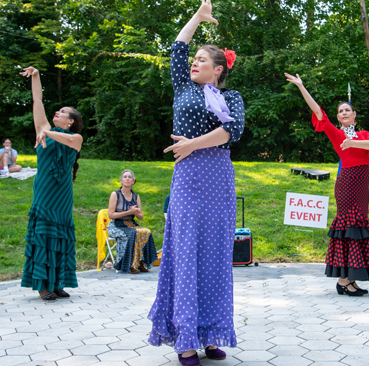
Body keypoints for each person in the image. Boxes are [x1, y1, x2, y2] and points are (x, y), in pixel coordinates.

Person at [148, 1, 245, 365]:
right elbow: (177, 47)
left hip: (218, 178)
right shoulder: (182, 88)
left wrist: (191, 144)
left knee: (217, 257)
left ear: (218, 70)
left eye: (202, 60)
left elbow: (231, 132)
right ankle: (185, 340)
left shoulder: (230, 97)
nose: (194, 63)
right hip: (188, 178)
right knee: (186, 254)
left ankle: (210, 335)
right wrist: (197, 17)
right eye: (195, 59)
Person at [285, 72, 369, 296]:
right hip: (347, 183)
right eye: (340, 111)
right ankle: (342, 280)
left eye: (347, 110)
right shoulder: (337, 134)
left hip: (361, 184)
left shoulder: (363, 135)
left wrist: (354, 141)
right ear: (338, 118)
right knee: (348, 228)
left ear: (354, 114)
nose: (343, 113)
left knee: (357, 228)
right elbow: (318, 111)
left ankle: (350, 279)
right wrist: (301, 86)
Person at [19, 66, 83, 303]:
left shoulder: (75, 138)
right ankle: (42, 285)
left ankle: (57, 284)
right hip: (45, 191)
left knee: (61, 236)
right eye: (58, 110)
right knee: (44, 234)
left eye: (63, 112)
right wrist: (36, 76)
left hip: (63, 195)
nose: (58, 112)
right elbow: (37, 100)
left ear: (71, 121)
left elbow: (67, 139)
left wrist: (47, 134)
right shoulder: (43, 130)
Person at [107, 169, 157, 274]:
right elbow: (111, 215)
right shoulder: (115, 194)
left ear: (133, 181)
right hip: (116, 225)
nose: (127, 179)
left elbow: (140, 217)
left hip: (131, 224)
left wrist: (136, 212)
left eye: (130, 177)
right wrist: (128, 212)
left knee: (146, 231)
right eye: (125, 177)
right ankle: (129, 264)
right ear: (121, 181)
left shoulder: (136, 196)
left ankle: (140, 262)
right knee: (133, 233)